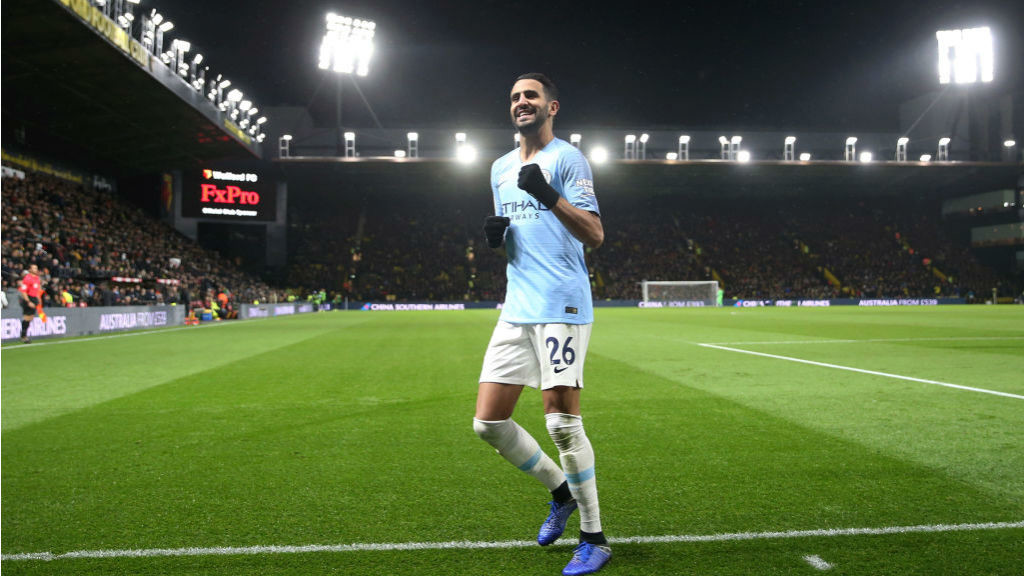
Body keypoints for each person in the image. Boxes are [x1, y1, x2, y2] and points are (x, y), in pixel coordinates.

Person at [474, 73, 609, 576]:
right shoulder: (499, 168)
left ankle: (594, 538)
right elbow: (516, 239)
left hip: (561, 303)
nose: (521, 102)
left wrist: (549, 194)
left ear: (552, 106)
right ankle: (561, 492)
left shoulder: (568, 159)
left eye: (530, 95)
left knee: (561, 422)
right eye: (514, 97)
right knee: (488, 423)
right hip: (517, 304)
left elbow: (594, 234)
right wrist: (497, 240)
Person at [18, 264, 45, 344]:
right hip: (28, 298)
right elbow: (23, 291)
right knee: (27, 317)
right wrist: (28, 301)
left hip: (34, 298)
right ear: (30, 269)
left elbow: (37, 289)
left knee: (30, 317)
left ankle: (24, 335)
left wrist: (38, 298)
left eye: (36, 268)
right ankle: (23, 336)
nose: (36, 269)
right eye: (34, 268)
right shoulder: (27, 278)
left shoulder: (37, 278)